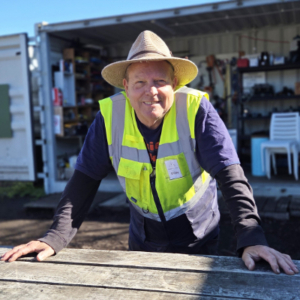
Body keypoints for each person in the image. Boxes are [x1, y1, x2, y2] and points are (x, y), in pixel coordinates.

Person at [1, 31, 298, 275]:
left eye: (159, 82)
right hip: (141, 234)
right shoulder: (109, 117)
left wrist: (251, 237)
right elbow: (83, 181)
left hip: (197, 233)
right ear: (126, 87)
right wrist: (54, 237)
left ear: (175, 84)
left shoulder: (197, 110)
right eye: (140, 82)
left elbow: (230, 176)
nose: (150, 91)